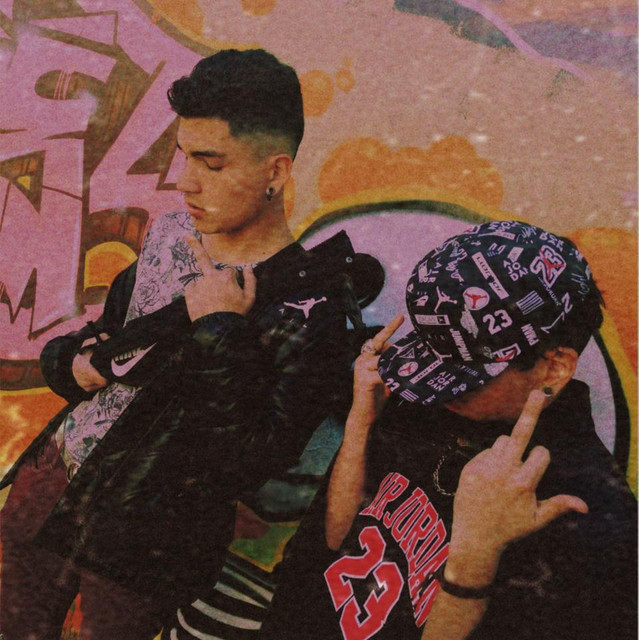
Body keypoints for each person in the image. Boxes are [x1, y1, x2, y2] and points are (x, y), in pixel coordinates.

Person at [0, 49, 365, 639]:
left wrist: (220, 327)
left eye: (211, 164)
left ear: (275, 172)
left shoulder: (310, 309)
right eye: (184, 156)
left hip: (142, 546)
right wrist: (75, 363)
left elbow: (251, 460)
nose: (186, 182)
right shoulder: (172, 232)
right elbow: (107, 335)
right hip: (49, 486)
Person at [259, 219, 637, 640]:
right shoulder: (425, 397)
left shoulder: (588, 514)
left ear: (554, 367)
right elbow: (330, 545)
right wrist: (361, 426)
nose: (436, 386)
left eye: (464, 373)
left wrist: (475, 561)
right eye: (430, 355)